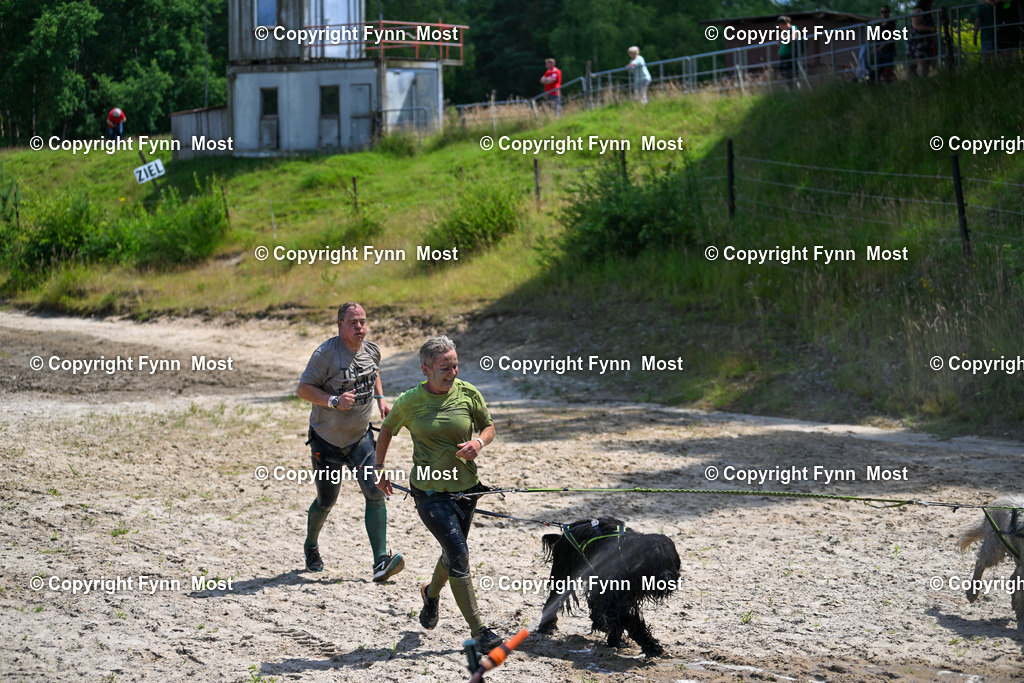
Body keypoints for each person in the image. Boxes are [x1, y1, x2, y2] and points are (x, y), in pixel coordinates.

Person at [374, 335, 502, 652]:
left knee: (451, 553)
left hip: (467, 490)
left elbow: (488, 426)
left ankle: (430, 593)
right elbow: (387, 429)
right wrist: (379, 468)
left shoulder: (468, 393)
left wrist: (479, 443)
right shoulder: (409, 401)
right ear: (425, 369)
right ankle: (480, 630)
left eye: (455, 365)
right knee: (459, 554)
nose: (452, 372)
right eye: (445, 367)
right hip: (429, 493)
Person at [297, 302, 403, 582]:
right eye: (354, 323)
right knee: (327, 500)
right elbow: (303, 389)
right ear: (340, 325)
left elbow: (373, 370)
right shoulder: (326, 354)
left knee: (375, 492)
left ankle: (381, 561)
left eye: (364, 322)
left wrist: (380, 399)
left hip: (360, 438)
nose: (360, 328)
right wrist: (333, 401)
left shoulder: (371, 349)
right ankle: (311, 546)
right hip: (327, 442)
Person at [907, 0, 938, 77]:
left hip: (927, 41)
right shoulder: (918, 11)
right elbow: (916, 26)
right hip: (919, 41)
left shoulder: (927, 12)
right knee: (921, 62)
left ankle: (922, 78)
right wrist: (930, 29)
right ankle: (922, 79)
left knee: (926, 62)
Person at [874, 6, 897, 82]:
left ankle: (891, 84)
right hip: (879, 51)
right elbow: (876, 38)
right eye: (882, 12)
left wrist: (881, 47)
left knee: (888, 70)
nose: (884, 13)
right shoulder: (877, 25)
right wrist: (875, 49)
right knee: (879, 70)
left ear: (889, 13)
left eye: (886, 11)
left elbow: (891, 37)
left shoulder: (891, 23)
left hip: (888, 50)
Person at [776, 16, 798, 83]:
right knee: (784, 75)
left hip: (790, 56)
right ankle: (790, 91)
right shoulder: (784, 32)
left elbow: (794, 37)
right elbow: (779, 43)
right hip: (783, 57)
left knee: (791, 75)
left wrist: (784, 38)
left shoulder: (793, 28)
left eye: (781, 25)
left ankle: (795, 90)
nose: (781, 27)